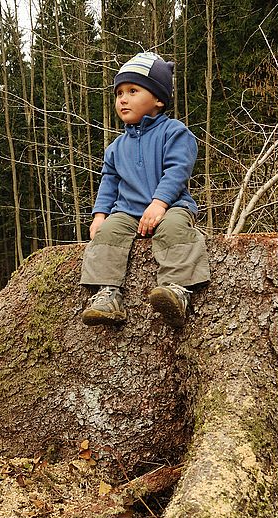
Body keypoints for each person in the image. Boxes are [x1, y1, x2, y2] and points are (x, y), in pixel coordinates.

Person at [80, 51, 210, 328]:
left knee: (176, 228)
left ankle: (177, 290)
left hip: (171, 206)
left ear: (158, 99)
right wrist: (100, 214)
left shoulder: (174, 132)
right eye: (119, 93)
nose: (123, 99)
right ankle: (108, 295)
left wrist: (160, 203)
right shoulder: (115, 147)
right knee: (107, 233)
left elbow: (177, 171)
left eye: (133, 90)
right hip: (126, 211)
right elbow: (109, 182)